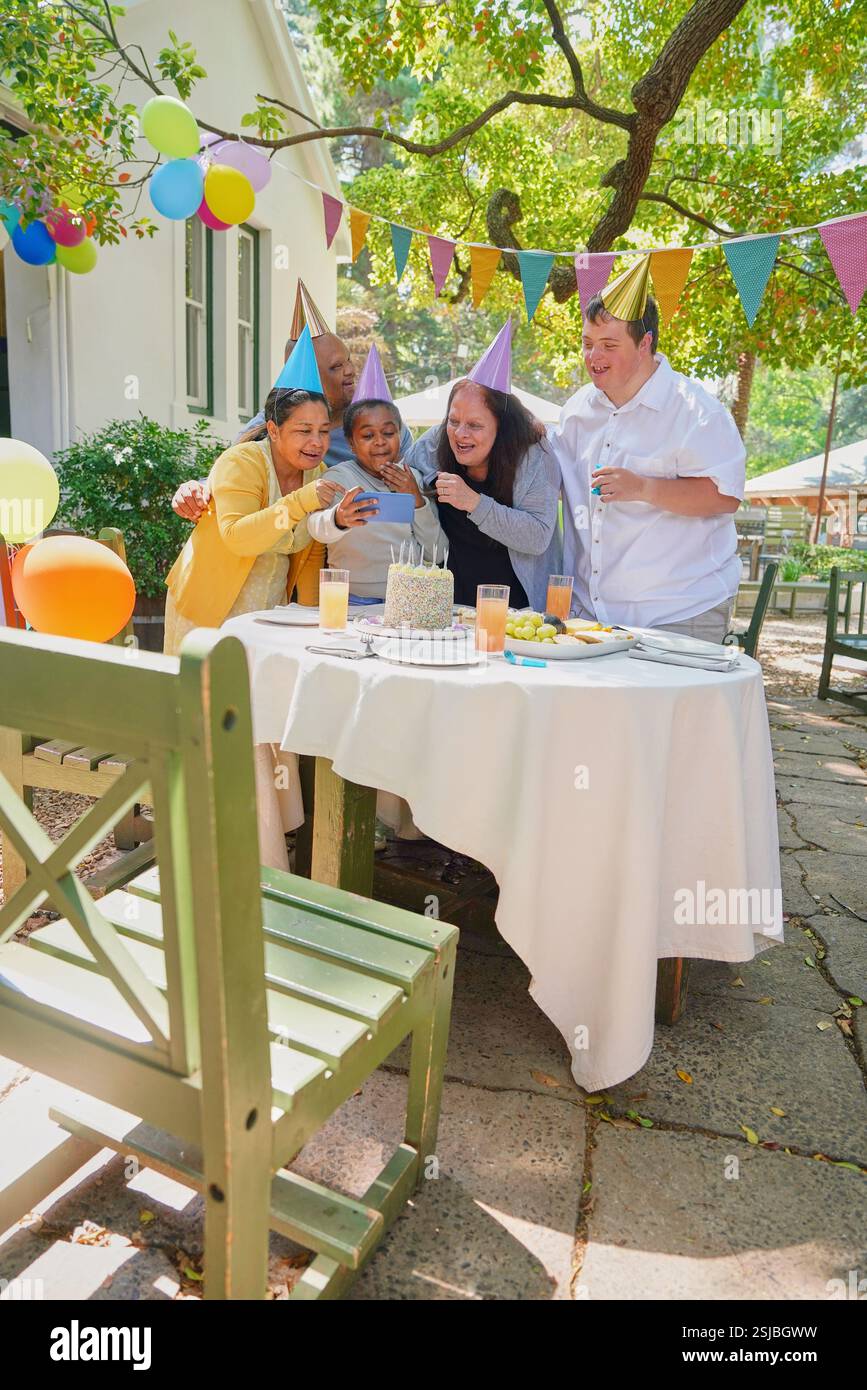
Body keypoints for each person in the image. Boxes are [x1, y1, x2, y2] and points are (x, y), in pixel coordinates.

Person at [163, 354, 343, 870]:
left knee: (259, 723)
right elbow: (238, 536)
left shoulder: (319, 474)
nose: (315, 442)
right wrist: (305, 500)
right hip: (209, 614)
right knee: (210, 728)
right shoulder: (241, 464)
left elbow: (309, 552)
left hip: (265, 620)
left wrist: (314, 620)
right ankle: (203, 841)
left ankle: (260, 836)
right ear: (272, 429)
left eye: (323, 431)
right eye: (303, 430)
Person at [550, 254, 744, 644]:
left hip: (680, 611)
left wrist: (644, 488)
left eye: (608, 345)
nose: (593, 357)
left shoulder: (696, 411)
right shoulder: (576, 411)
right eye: (587, 344)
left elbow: (724, 495)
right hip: (592, 614)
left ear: (645, 344)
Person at [171, 280, 412, 519]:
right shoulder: (268, 425)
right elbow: (230, 472)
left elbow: (412, 485)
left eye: (348, 360)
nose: (350, 370)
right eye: (336, 366)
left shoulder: (381, 426)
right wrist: (199, 488)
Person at [404, 320, 561, 611]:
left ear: (502, 427)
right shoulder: (435, 443)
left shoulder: (535, 454)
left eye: (475, 425)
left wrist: (474, 503)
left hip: (520, 612)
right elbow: (401, 479)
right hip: (451, 609)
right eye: (453, 421)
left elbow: (539, 536)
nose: (460, 434)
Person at [307, 346, 442, 596]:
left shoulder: (413, 478)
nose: (380, 442)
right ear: (351, 442)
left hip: (408, 599)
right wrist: (338, 518)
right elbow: (315, 529)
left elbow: (438, 551)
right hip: (349, 600)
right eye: (368, 435)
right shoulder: (339, 477)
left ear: (400, 435)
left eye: (388, 433)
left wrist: (417, 500)